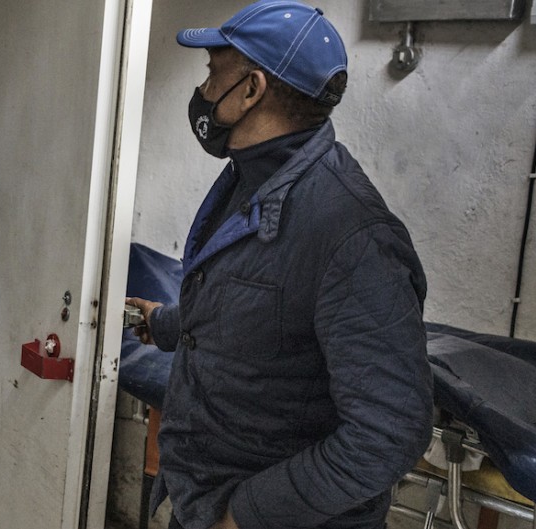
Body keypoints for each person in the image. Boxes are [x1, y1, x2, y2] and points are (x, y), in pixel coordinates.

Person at [126, 2, 434, 528]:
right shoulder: (257, 175)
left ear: (251, 89)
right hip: (201, 493)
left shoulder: (354, 237)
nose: (202, 92)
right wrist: (164, 324)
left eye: (210, 74)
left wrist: (245, 515)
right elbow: (252, 297)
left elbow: (388, 433)